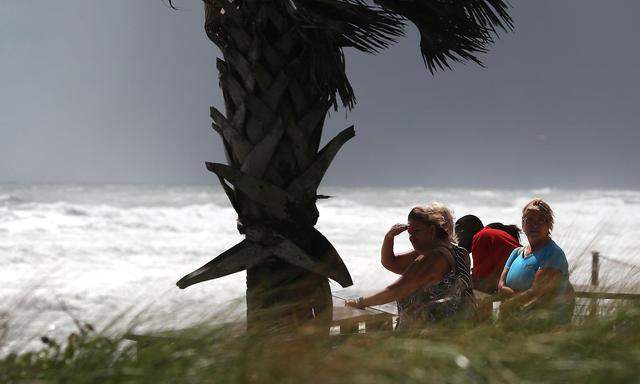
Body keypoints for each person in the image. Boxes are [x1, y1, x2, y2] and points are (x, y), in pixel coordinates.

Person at [345, 203, 474, 328]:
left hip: (426, 337)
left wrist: (360, 302)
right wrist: (389, 237)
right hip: (459, 329)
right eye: (409, 233)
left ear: (432, 230)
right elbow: (391, 263)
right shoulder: (461, 253)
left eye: (416, 231)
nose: (411, 238)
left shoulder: (432, 259)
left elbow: (395, 290)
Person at [497, 199, 574, 323]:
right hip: (513, 324)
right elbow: (501, 285)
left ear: (549, 225)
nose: (535, 225)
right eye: (530, 220)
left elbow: (537, 292)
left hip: (544, 329)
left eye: (541, 221)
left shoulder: (553, 253)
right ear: (523, 224)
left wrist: (510, 303)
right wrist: (511, 300)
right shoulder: (516, 252)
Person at [455, 215, 522, 294]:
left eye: (458, 236)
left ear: (464, 232)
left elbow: (482, 283)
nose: (458, 241)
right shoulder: (491, 234)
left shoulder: (481, 236)